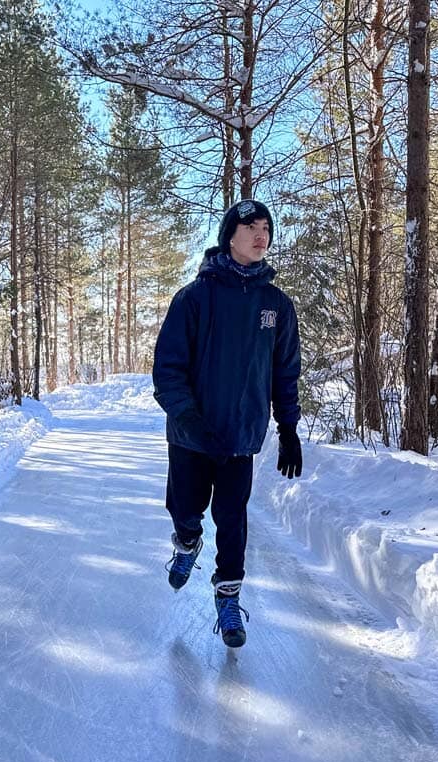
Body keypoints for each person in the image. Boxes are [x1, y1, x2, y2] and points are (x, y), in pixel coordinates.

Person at [152, 198, 302, 649]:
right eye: (251, 227)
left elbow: (285, 370)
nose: (261, 235)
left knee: (233, 520)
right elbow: (168, 368)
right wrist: (189, 418)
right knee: (186, 511)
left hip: (240, 437)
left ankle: (229, 597)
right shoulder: (194, 297)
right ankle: (186, 542)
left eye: (266, 228)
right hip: (192, 437)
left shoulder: (276, 304)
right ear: (229, 236)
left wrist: (289, 427)